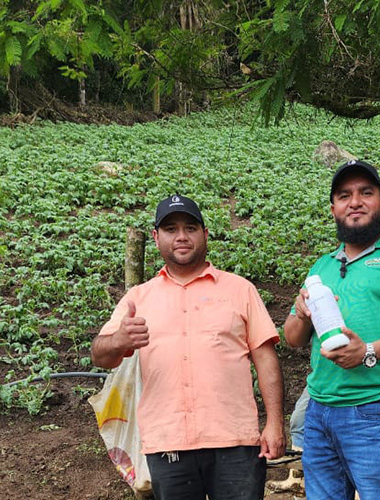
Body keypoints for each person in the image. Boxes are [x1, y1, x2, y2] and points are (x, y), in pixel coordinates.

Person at [91, 194, 285, 500]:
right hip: (167, 442)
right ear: (156, 238)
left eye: (190, 228)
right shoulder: (138, 298)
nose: (181, 237)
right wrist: (118, 341)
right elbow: (100, 355)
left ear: (205, 235)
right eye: (170, 229)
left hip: (235, 441)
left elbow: (266, 359)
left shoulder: (239, 289)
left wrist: (275, 423)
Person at [284, 159, 380, 500]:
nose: (354, 201)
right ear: (333, 209)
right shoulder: (322, 265)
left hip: (374, 410)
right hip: (319, 411)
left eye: (365, 193)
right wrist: (300, 313)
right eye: (344, 195)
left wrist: (368, 350)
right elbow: (293, 338)